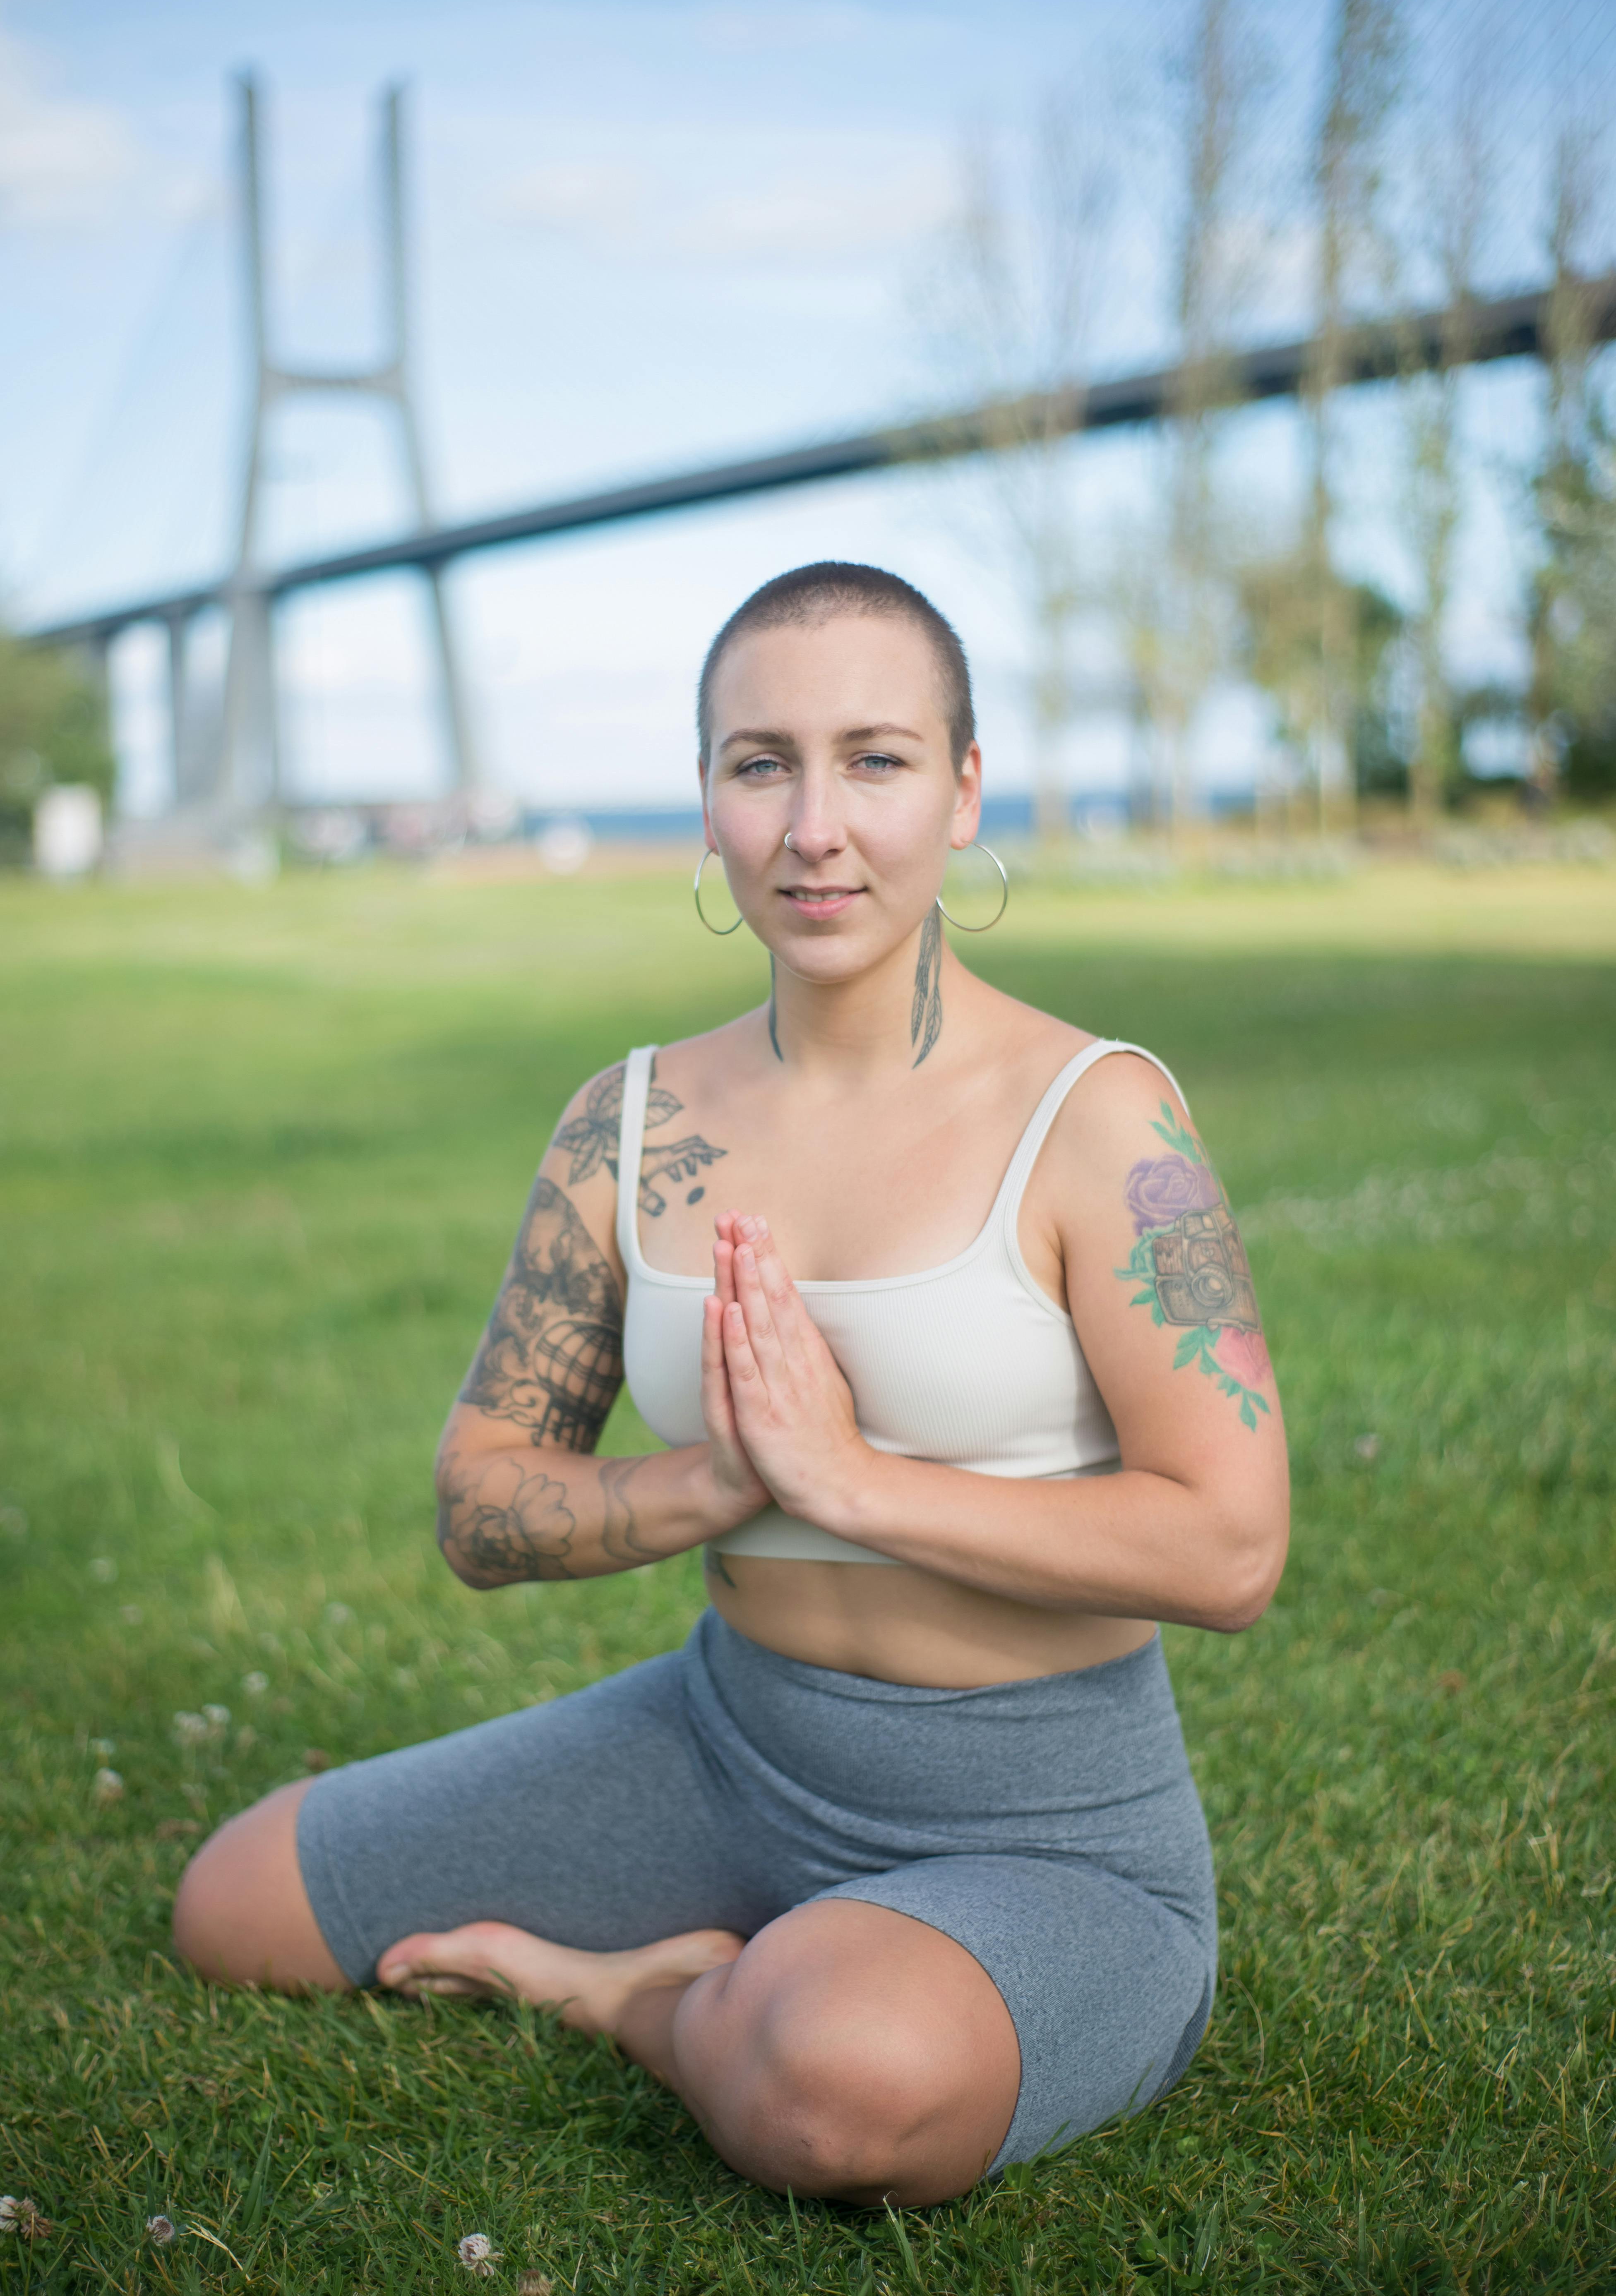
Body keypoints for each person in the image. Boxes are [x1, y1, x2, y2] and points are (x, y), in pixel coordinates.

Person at [174, 561, 1289, 2206]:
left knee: (831, 2085)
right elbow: (481, 1497)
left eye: (876, 759)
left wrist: (849, 1481)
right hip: (722, 1743)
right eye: (759, 761)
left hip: (1043, 1824)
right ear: (706, 797)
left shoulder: (1101, 1119)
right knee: (236, 1905)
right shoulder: (626, 1126)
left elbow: (1228, 1547)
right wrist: (699, 1486)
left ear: (964, 785)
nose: (812, 824)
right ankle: (752, 1948)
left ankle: (649, 1991)